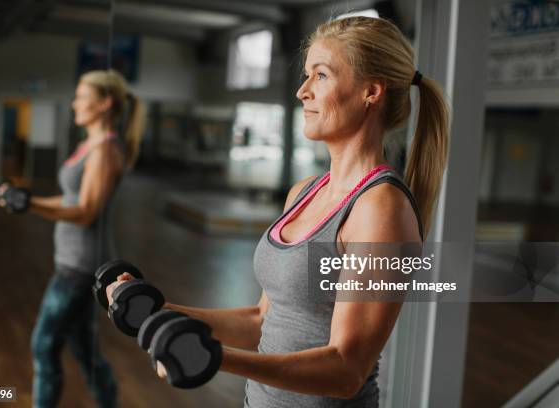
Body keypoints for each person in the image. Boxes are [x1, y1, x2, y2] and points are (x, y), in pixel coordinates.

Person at [109, 15, 448, 408]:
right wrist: (163, 313)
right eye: (306, 76)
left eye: (321, 76)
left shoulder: (380, 208)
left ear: (370, 92)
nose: (303, 91)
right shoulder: (304, 193)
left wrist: (211, 357)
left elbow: (345, 369)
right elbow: (259, 320)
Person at [0, 69, 146, 408]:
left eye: (81, 96)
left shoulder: (106, 150)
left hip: (81, 265)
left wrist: (29, 204)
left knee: (44, 345)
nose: (74, 103)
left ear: (105, 103)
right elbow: (69, 200)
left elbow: (85, 212)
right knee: (84, 348)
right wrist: (26, 199)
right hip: (74, 259)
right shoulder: (89, 145)